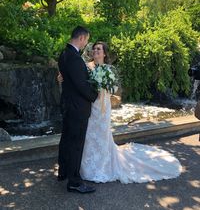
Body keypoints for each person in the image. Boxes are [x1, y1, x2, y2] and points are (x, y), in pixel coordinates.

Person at [59, 41, 182, 185]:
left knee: (101, 136)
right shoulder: (86, 67)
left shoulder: (109, 70)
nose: (95, 51)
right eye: (94, 49)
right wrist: (62, 77)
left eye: (99, 49)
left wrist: (103, 85)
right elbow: (76, 79)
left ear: (104, 53)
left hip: (103, 107)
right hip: (89, 107)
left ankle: (101, 166)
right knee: (87, 136)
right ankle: (83, 167)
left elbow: (112, 89)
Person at [57, 26, 98, 193]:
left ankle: (63, 172)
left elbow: (70, 80)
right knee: (76, 144)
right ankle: (74, 182)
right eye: (86, 40)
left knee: (66, 139)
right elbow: (81, 85)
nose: (86, 43)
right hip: (77, 108)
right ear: (81, 38)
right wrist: (94, 95)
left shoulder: (64, 54)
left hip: (68, 105)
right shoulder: (74, 57)